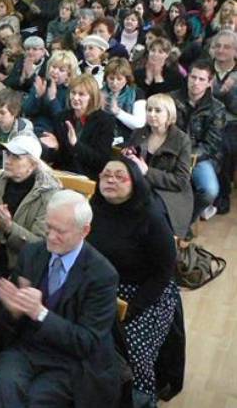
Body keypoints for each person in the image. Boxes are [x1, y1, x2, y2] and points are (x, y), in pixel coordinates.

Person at [0, 189, 121, 407]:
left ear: (85, 231)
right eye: (48, 227)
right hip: (25, 350)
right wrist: (13, 311)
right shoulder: (32, 253)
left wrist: (40, 313)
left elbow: (87, 342)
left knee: (37, 400)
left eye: (60, 231)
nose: (51, 236)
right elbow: (9, 325)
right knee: (1, 389)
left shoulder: (102, 275)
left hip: (70, 362)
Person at [87, 157, 178, 406]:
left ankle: (140, 399)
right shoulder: (93, 208)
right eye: (105, 175)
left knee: (131, 352)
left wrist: (133, 307)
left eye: (119, 176)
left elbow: (164, 271)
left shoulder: (152, 217)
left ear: (134, 182)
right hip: (102, 288)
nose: (110, 180)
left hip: (145, 293)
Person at [0, 135, 61, 277]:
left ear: (33, 164)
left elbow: (42, 247)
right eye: (7, 154)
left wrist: (9, 228)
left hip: (23, 270)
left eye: (16, 157)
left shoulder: (48, 195)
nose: (7, 161)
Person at [124, 93, 193, 238]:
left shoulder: (181, 140)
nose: (151, 114)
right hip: (139, 186)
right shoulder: (139, 133)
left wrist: (147, 172)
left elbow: (180, 181)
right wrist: (127, 157)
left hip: (169, 194)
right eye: (149, 110)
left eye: (157, 110)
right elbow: (128, 164)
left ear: (169, 114)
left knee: (148, 211)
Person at [171, 60, 226, 223]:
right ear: (187, 77)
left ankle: (187, 220)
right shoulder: (171, 99)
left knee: (210, 190)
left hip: (199, 157)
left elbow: (211, 145)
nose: (196, 82)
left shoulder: (217, 108)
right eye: (193, 77)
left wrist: (188, 157)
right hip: (170, 151)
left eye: (201, 79)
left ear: (210, 82)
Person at [39, 74, 116, 180]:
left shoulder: (105, 121)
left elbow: (101, 161)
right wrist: (55, 148)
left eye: (81, 94)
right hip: (62, 174)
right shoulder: (62, 117)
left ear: (92, 97)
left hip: (87, 178)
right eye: (73, 93)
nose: (75, 98)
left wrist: (76, 144)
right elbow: (59, 158)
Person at [21, 49, 79, 135]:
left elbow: (62, 122)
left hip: (54, 133)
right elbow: (27, 110)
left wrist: (53, 99)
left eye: (61, 70)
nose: (55, 71)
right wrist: (37, 96)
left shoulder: (71, 92)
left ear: (69, 75)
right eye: (53, 67)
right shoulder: (42, 83)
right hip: (33, 128)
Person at [103, 57, 147, 144]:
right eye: (111, 78)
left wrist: (118, 112)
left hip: (128, 141)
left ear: (127, 79)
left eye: (119, 79)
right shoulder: (99, 93)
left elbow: (140, 124)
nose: (114, 83)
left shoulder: (137, 93)